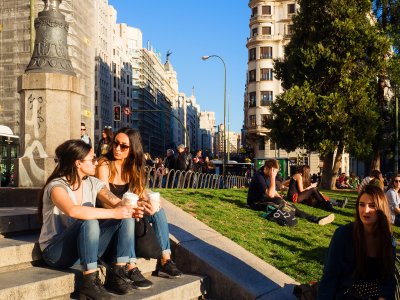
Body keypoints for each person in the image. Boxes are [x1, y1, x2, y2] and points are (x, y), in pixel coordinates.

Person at [38, 139, 142, 299]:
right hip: (56, 252)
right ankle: (89, 283)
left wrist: (134, 208)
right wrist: (114, 213)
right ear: (78, 163)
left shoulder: (93, 183)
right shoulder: (56, 186)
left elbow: (117, 203)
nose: (97, 162)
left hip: (84, 248)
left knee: (125, 215)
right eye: (93, 159)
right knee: (89, 220)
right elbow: (73, 211)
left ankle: (118, 273)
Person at [96, 127, 183, 282]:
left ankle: (165, 259)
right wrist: (128, 208)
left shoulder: (134, 168)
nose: (117, 148)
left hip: (130, 215)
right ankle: (130, 265)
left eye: (123, 146)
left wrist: (150, 204)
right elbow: (104, 199)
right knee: (128, 215)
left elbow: (142, 195)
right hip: (110, 218)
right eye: (115, 143)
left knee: (158, 211)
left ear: (132, 149)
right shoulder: (104, 163)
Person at [318, 185, 396, 299]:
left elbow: (388, 278)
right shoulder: (343, 235)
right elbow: (330, 276)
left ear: (381, 209)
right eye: (362, 204)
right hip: (347, 295)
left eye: (372, 206)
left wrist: (384, 296)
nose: (365, 210)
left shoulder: (387, 239)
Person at [247, 159, 335, 225]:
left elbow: (273, 192)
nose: (275, 174)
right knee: (282, 204)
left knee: (290, 205)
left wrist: (281, 198)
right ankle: (315, 219)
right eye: (274, 172)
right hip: (255, 203)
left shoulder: (267, 174)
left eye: (276, 172)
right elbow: (270, 194)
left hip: (264, 199)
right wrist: (273, 177)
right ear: (267, 168)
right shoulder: (259, 176)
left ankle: (316, 219)